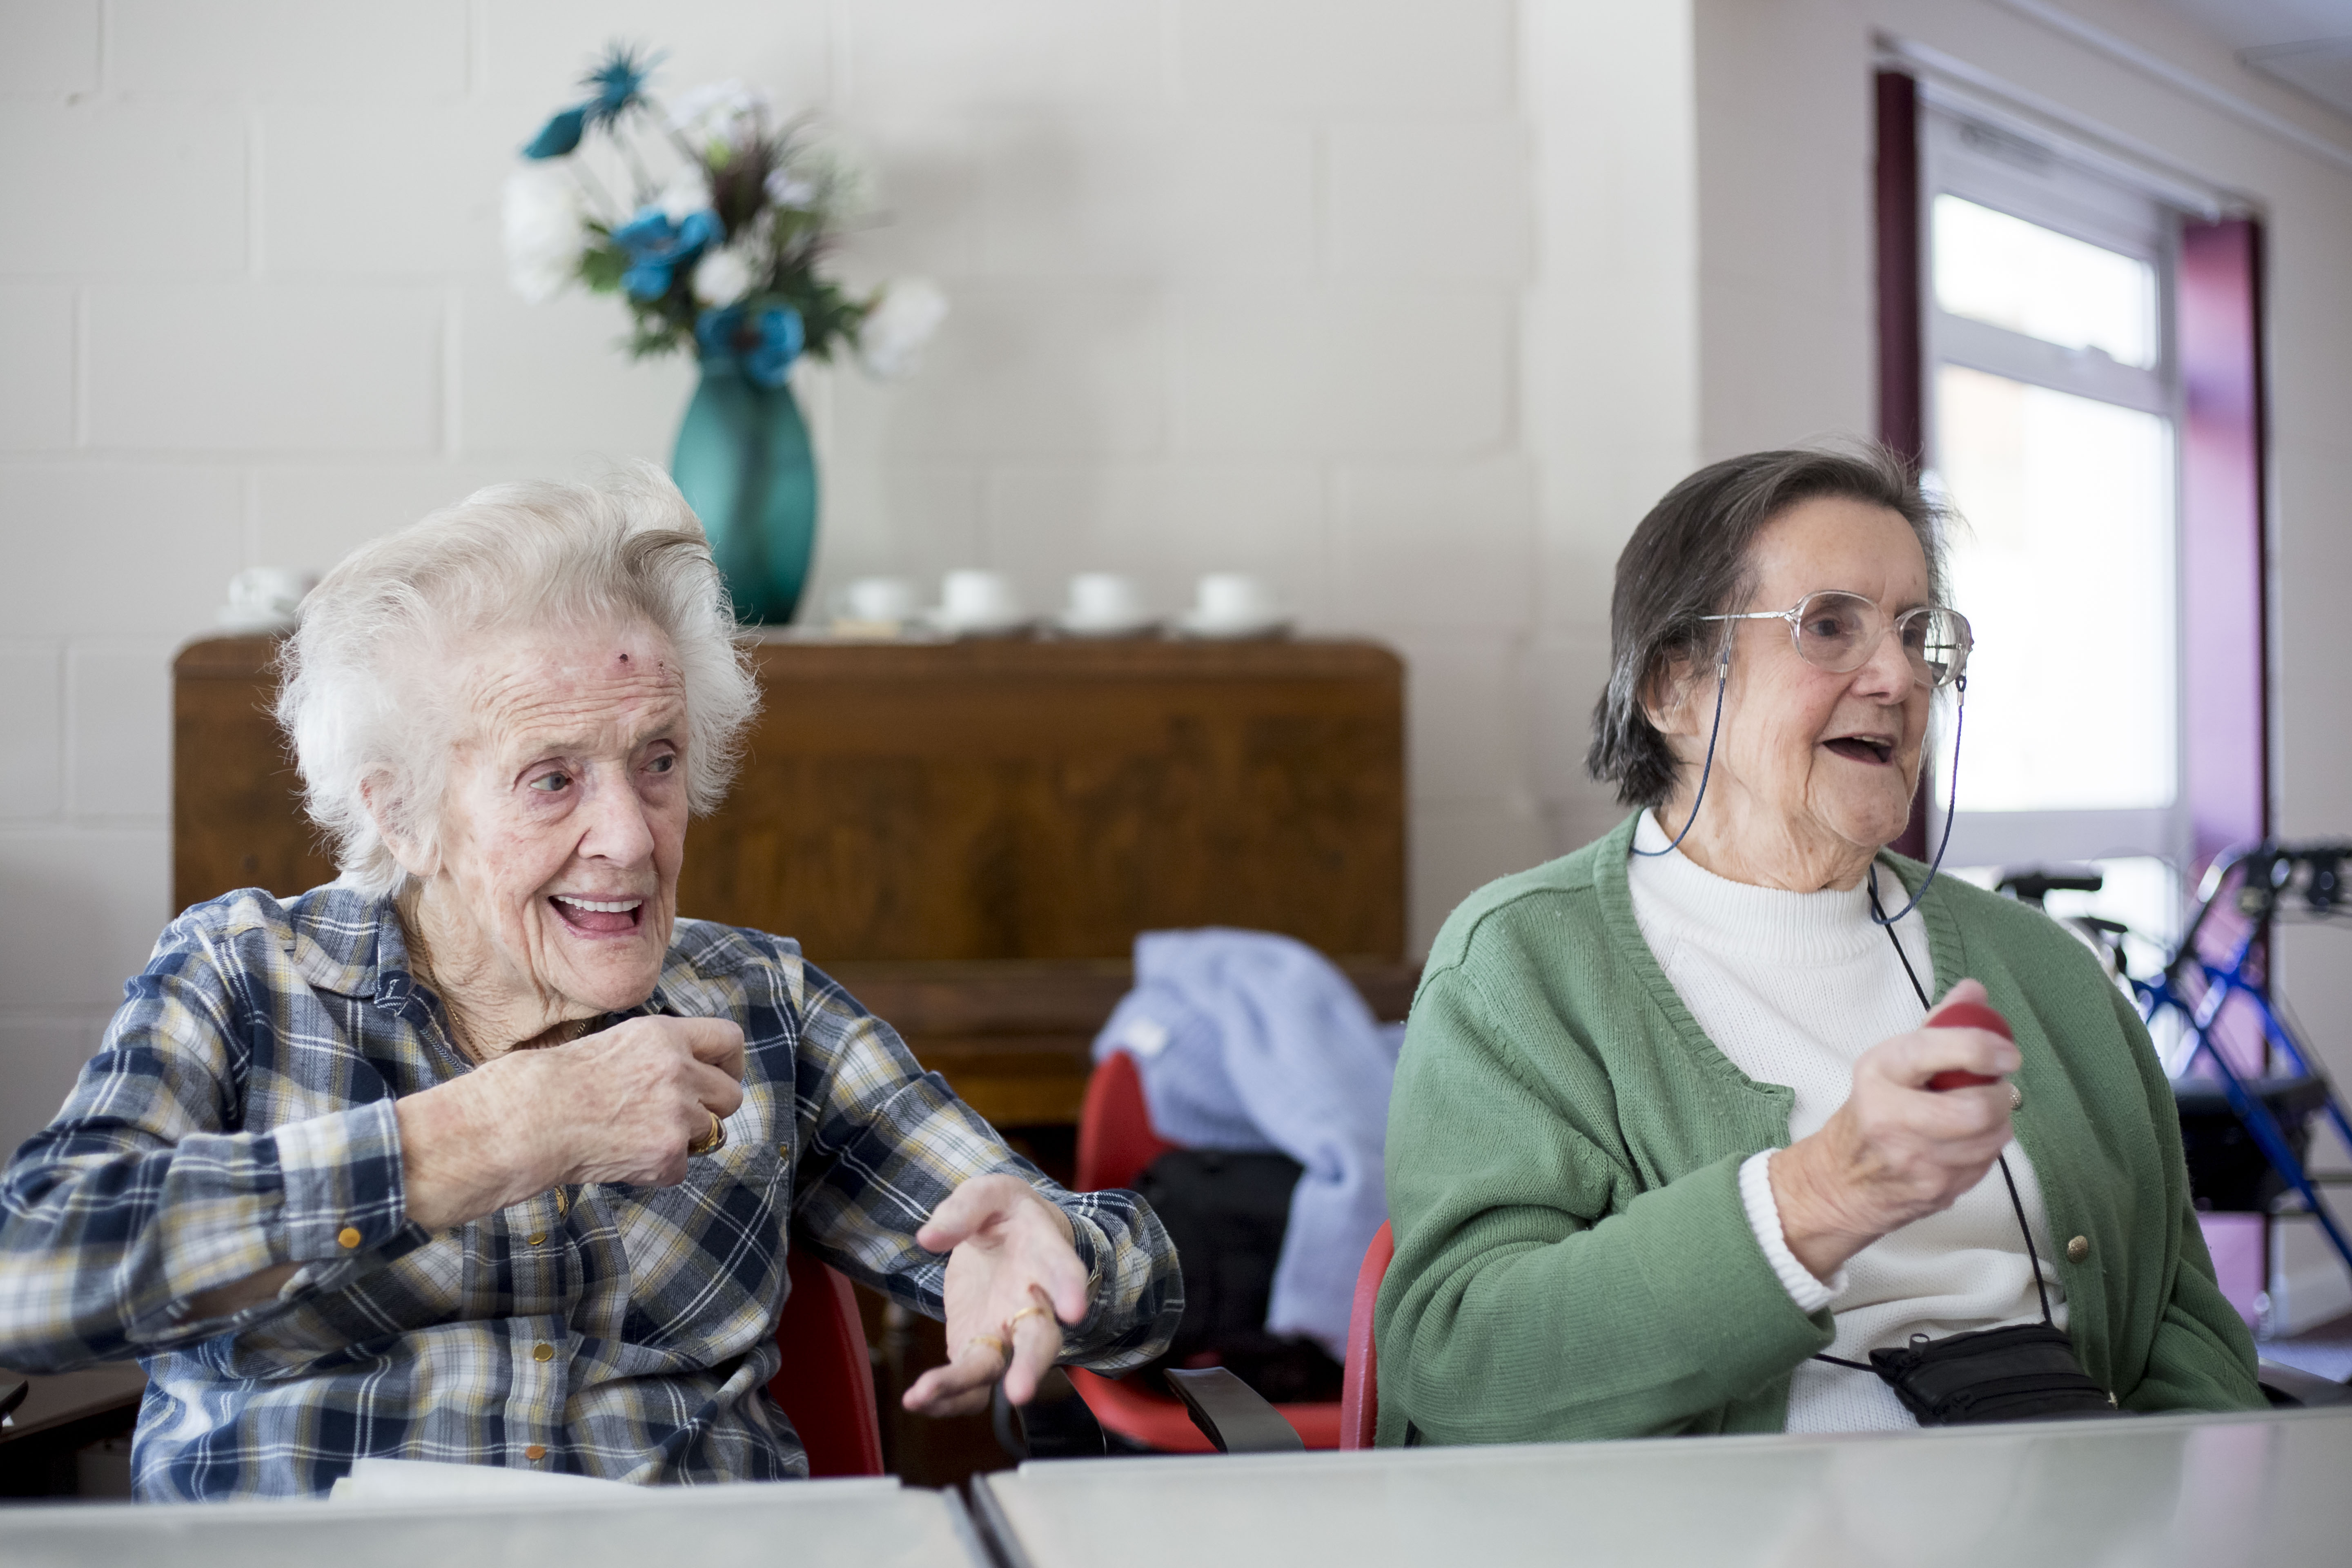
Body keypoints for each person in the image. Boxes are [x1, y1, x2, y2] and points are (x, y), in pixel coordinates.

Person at [0, 470, 1180, 1498]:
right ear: (401, 812)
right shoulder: (245, 978)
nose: (630, 837)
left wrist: (1054, 1261)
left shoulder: (759, 1004)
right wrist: (483, 1137)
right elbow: (30, 1273)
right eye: (552, 779)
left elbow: (1104, 1264)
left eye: (656, 761)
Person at [1375, 445, 2263, 1445]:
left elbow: (2182, 1337)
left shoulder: (2049, 973)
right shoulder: (1521, 971)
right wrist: (1819, 1196)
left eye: (1919, 633)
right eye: (1829, 627)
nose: (1896, 677)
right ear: (1673, 688)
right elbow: (1460, 1365)